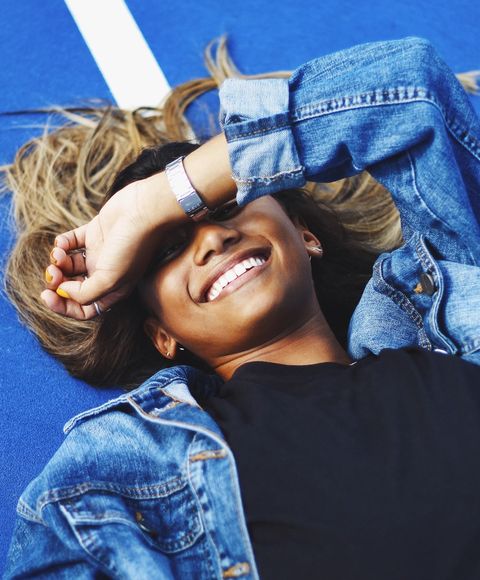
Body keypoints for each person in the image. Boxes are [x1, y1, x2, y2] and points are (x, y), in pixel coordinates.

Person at [4, 36, 480, 579]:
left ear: (305, 235)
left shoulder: (444, 308)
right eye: (167, 250)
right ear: (161, 335)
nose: (211, 241)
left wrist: (157, 200)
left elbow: (410, 86)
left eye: (227, 205)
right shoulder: (123, 466)